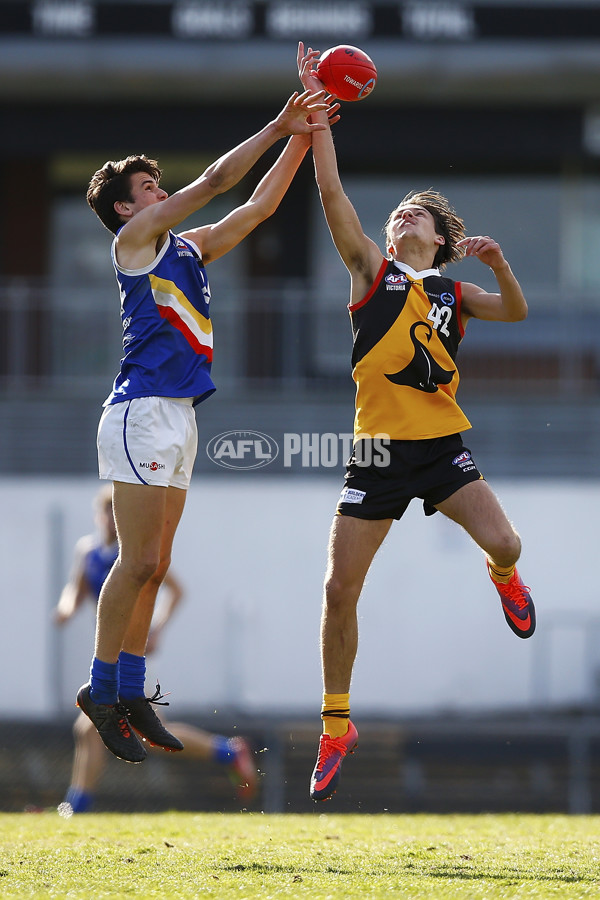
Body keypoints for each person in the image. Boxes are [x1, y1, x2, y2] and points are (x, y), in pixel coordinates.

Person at [297, 43, 536, 802]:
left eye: (419, 213)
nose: (404, 215)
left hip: (439, 447)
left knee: (506, 542)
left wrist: (497, 266)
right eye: (399, 209)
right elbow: (332, 193)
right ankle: (337, 727)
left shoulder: (454, 292)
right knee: (339, 592)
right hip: (374, 449)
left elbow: (517, 311)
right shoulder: (373, 270)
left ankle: (505, 579)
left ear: (440, 238)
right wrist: (317, 118)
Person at [81, 87, 337, 764]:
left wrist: (303, 138)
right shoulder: (136, 242)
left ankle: (129, 688)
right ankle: (100, 690)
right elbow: (221, 179)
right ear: (127, 209)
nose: (159, 189)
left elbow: (256, 208)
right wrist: (278, 122)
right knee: (137, 561)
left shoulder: (186, 247)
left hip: (179, 416)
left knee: (156, 565)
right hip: (140, 412)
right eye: (147, 186)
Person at [54, 486, 258, 814]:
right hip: (107, 653)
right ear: (97, 515)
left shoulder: (132, 555)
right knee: (116, 730)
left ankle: (75, 808)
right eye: (104, 512)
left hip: (131, 652)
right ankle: (228, 752)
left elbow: (174, 590)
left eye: (114, 512)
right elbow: (75, 591)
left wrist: (157, 628)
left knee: (96, 727)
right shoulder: (88, 552)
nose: (109, 519)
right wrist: (64, 608)